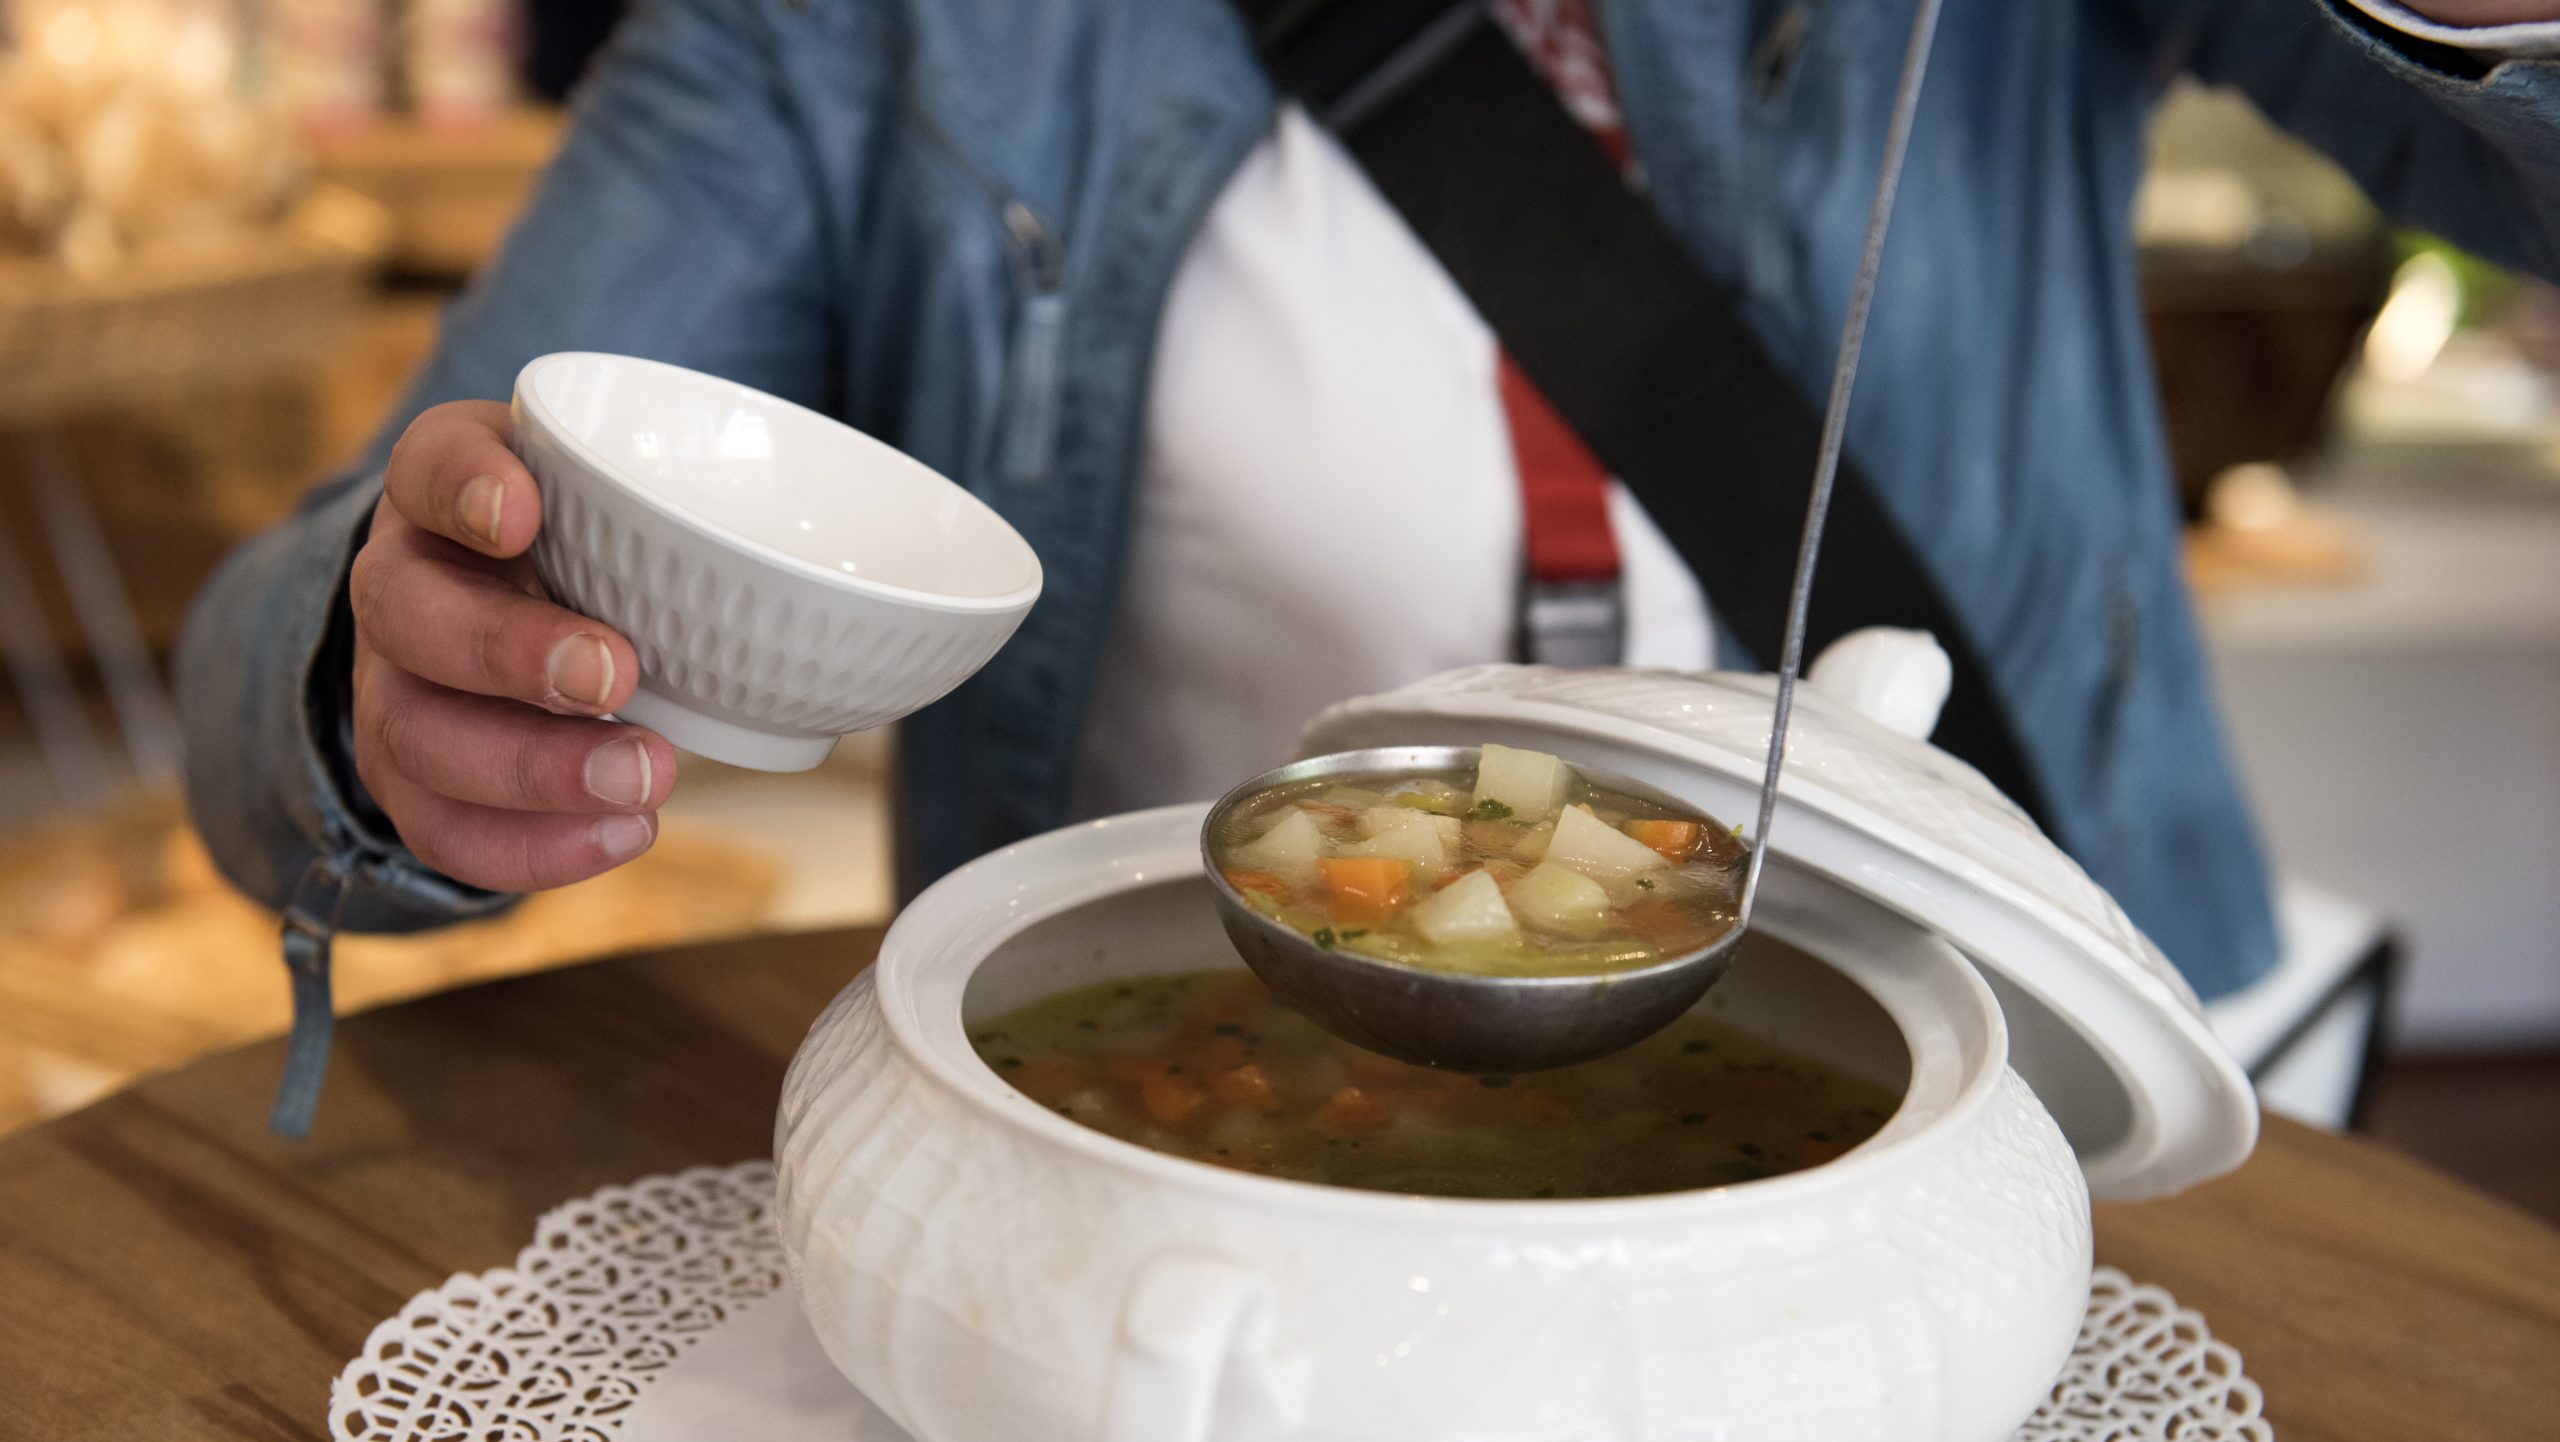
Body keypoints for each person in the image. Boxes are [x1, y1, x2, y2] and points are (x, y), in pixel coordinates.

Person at [179, 0, 2560, 1104]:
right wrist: (380, 696)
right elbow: (310, 627)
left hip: (2013, 1086)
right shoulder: (863, 29)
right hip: (1207, 1117)